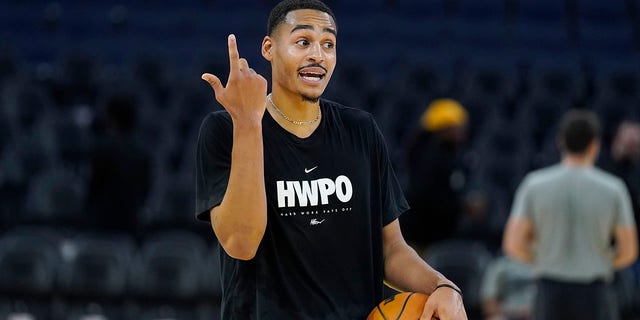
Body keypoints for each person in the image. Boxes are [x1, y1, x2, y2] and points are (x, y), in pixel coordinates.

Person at [195, 0, 467, 319]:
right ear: (268, 48)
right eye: (303, 41)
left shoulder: (361, 130)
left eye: (328, 44)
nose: (317, 55)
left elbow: (390, 248)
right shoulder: (225, 129)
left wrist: (443, 286)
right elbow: (241, 242)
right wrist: (248, 123)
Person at [503, 110, 638, 320]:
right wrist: (603, 262)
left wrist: (542, 259)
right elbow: (629, 251)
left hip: (549, 292)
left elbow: (513, 244)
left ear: (560, 142)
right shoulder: (613, 188)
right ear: (595, 145)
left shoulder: (534, 184)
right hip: (595, 293)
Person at [400, 98, 469, 250]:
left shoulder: (445, 153)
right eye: (457, 127)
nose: (462, 131)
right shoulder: (430, 157)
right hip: (422, 233)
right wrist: (462, 207)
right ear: (443, 128)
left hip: (431, 232)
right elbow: (429, 197)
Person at [480, 255, 535, 320]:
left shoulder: (544, 266)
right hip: (508, 315)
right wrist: (518, 311)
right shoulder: (500, 266)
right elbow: (488, 306)